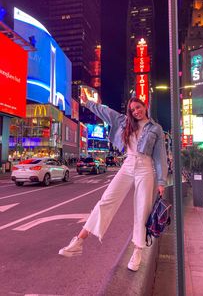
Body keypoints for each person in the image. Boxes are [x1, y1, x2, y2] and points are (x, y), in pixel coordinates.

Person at [59, 92, 168, 272]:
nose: (135, 112)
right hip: (128, 163)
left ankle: (138, 252)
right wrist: (87, 104)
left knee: (142, 210)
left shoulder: (155, 128)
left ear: (144, 106)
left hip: (145, 168)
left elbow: (160, 157)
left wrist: (162, 181)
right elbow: (105, 112)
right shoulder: (125, 122)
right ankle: (79, 240)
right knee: (106, 201)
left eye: (138, 107)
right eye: (132, 110)